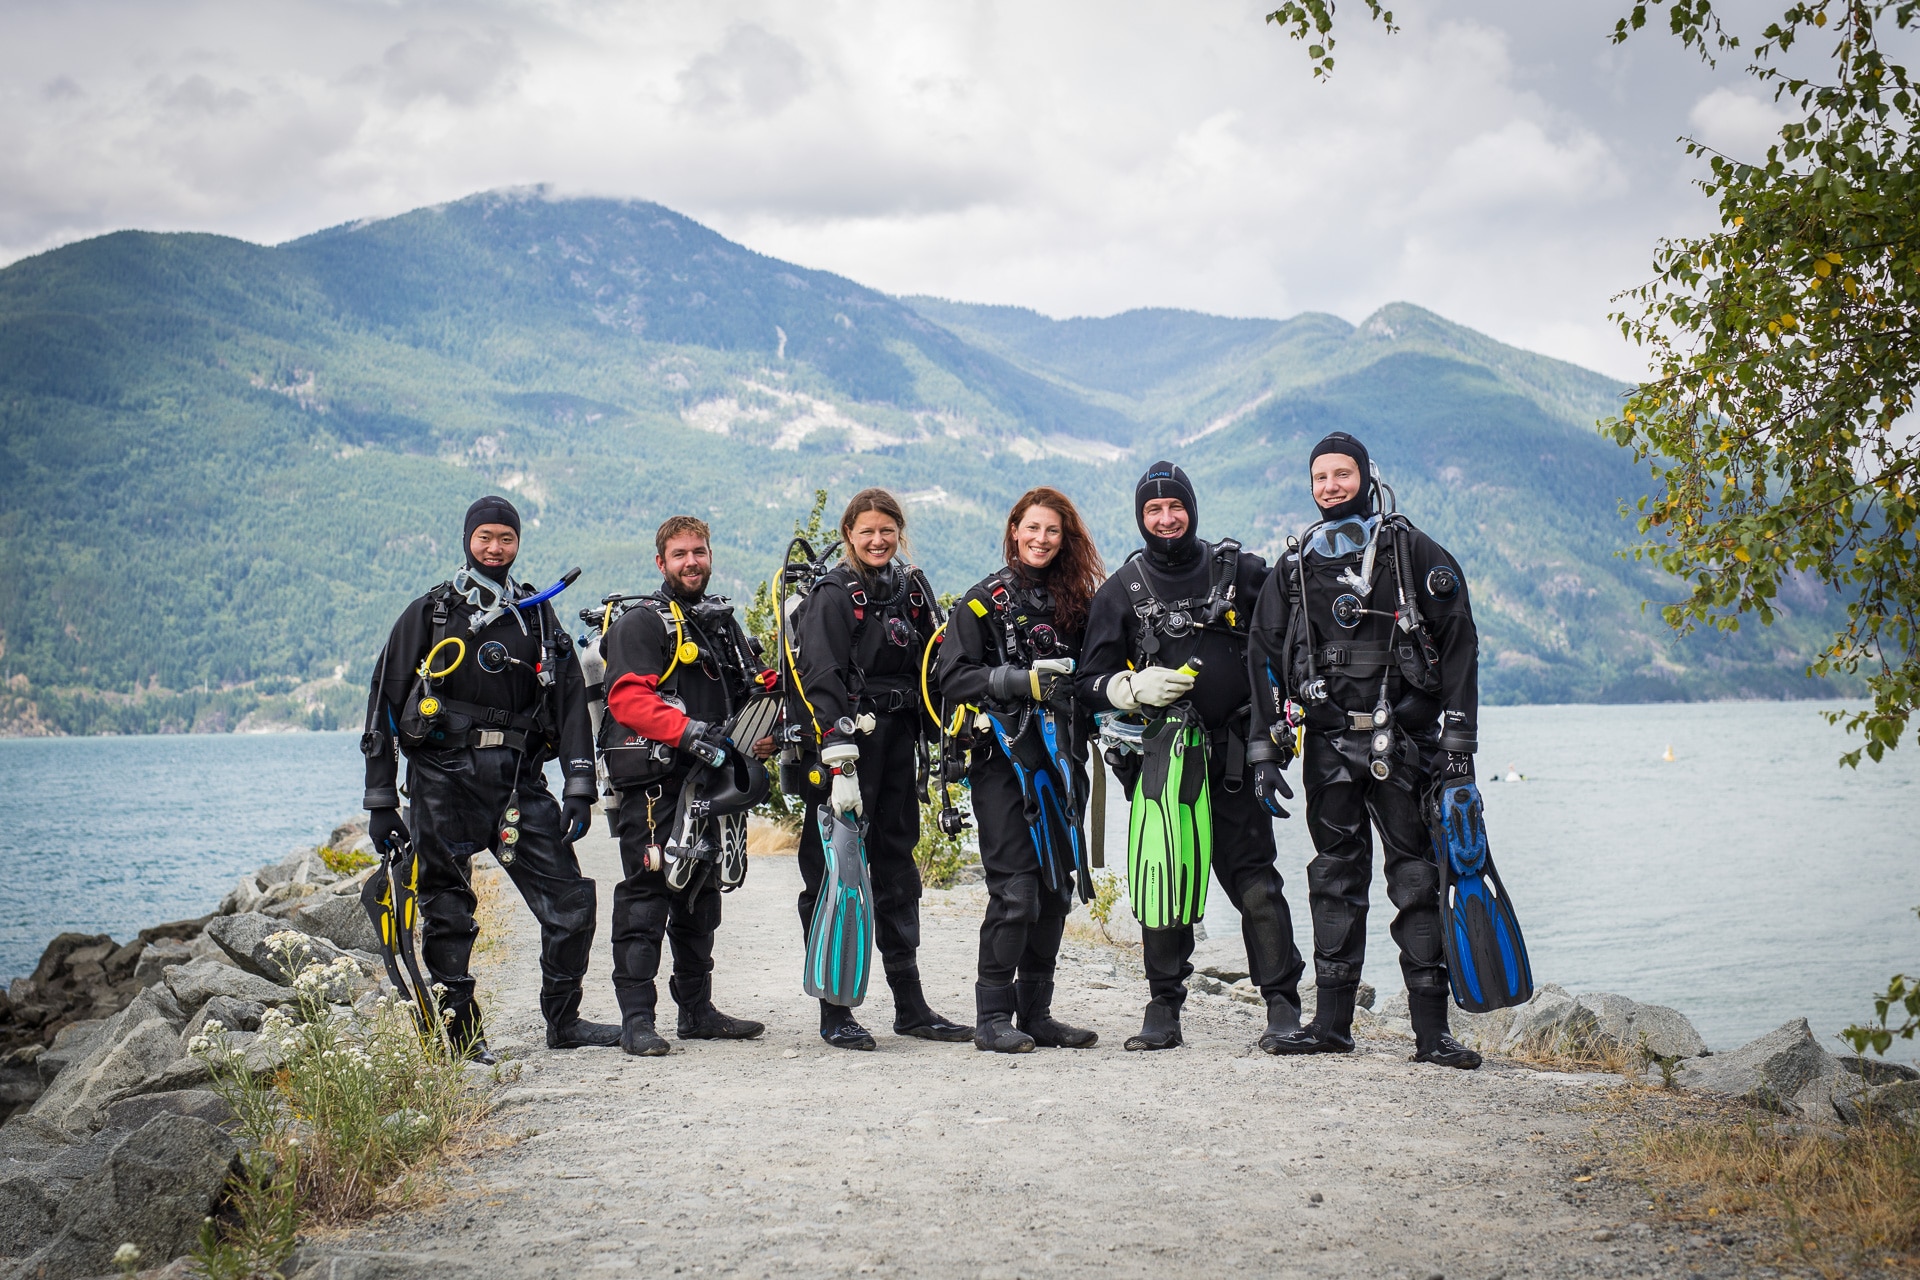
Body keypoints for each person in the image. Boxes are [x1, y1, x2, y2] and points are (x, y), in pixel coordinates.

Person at [1246, 432, 1483, 1069]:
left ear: (1366, 477)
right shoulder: (1294, 568)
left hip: (1406, 745)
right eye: (1320, 476)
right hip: (1327, 744)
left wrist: (1458, 746)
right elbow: (1263, 659)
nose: (1330, 486)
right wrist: (1265, 750)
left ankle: (1432, 1035)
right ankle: (1331, 1025)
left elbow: (1459, 642)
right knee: (1335, 878)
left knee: (1417, 879)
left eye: (1341, 474)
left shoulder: (1412, 553)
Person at [360, 495, 619, 1062]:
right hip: (439, 781)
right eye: (486, 538)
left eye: (506, 538)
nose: (495, 548)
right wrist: (380, 800)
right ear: (467, 541)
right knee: (446, 910)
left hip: (516, 783)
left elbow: (573, 704)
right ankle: (460, 1038)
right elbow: (383, 703)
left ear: (518, 544)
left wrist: (579, 786)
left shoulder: (537, 616)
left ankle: (565, 1020)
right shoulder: (430, 614)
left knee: (571, 903)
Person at [1077, 462, 1308, 1052]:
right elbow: (1088, 681)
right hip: (1160, 761)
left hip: (1234, 756)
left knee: (1255, 880)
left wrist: (1273, 740)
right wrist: (1127, 689)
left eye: (1174, 507)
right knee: (1165, 877)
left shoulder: (1242, 574)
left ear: (1192, 508)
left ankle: (1282, 1002)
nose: (1166, 518)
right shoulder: (1120, 591)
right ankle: (1164, 1004)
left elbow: (1290, 647)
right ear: (1140, 518)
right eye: (1153, 511)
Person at [792, 489, 971, 1050]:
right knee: (835, 872)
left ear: (899, 532)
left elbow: (935, 664)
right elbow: (819, 676)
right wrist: (838, 755)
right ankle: (834, 1006)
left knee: (896, 868)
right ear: (848, 533)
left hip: (898, 747)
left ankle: (910, 1004)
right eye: (866, 531)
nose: (877, 540)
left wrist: (955, 728)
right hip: (846, 750)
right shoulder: (831, 595)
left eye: (886, 530)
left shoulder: (910, 590)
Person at [935, 487, 1105, 1053]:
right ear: (1013, 529)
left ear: (1066, 538)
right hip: (1000, 765)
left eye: (1052, 531)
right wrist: (1016, 681)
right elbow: (952, 677)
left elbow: (1096, 674)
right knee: (1016, 891)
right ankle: (990, 1019)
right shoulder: (981, 602)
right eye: (1032, 528)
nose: (1041, 539)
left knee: (1056, 887)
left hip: (1063, 760)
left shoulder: (1076, 603)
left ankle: (1037, 1015)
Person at [599, 516, 776, 1056]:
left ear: (710, 554)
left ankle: (697, 1011)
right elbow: (627, 699)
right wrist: (693, 734)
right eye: (679, 554)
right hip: (655, 783)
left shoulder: (718, 623)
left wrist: (756, 735)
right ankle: (636, 1021)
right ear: (661, 562)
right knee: (647, 896)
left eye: (699, 551)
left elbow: (749, 690)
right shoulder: (642, 623)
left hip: (710, 781)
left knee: (701, 896)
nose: (691, 561)